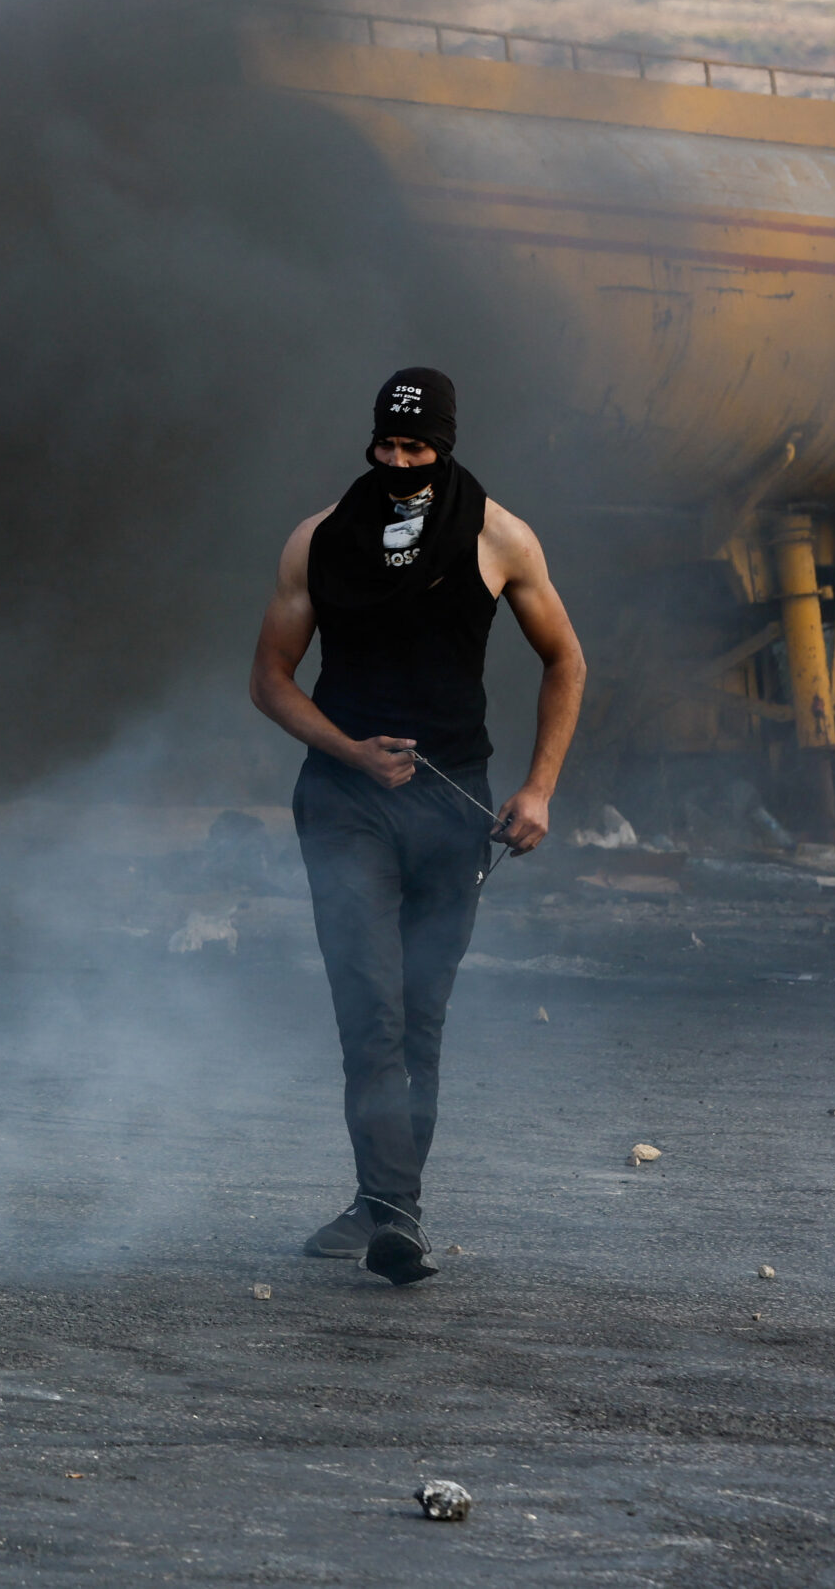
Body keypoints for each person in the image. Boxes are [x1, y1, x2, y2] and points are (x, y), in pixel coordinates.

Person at [249, 367, 585, 1286]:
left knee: (421, 1015)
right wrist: (350, 749)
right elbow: (270, 678)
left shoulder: (499, 537)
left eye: (416, 448)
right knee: (371, 1007)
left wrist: (539, 790)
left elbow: (565, 659)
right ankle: (399, 1215)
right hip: (345, 801)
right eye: (386, 446)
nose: (399, 462)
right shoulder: (319, 541)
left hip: (452, 804)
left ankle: (380, 1200)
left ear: (446, 445)